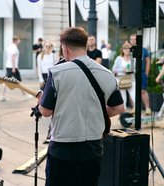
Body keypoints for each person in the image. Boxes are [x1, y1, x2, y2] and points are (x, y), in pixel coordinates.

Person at [37, 27, 124, 186]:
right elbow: (118, 108)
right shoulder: (106, 73)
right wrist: (95, 112)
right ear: (85, 45)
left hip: (63, 149)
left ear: (64, 48)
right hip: (93, 148)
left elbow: (45, 111)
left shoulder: (57, 72)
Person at [0, 36, 32, 101]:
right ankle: (25, 95)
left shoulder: (10, 46)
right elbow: (13, 57)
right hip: (12, 67)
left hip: (9, 66)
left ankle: (2, 96)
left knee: (6, 81)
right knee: (19, 81)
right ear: (16, 40)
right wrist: (14, 68)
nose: (19, 41)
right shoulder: (14, 47)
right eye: (19, 40)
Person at [130, 33, 151, 115]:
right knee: (132, 91)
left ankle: (147, 108)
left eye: (134, 39)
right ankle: (134, 108)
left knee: (143, 91)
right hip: (132, 74)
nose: (133, 41)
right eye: (131, 39)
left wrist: (146, 72)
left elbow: (148, 61)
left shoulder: (144, 50)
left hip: (141, 73)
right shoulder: (130, 49)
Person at [112, 42, 135, 110]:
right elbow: (114, 69)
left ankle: (136, 111)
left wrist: (130, 70)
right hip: (121, 80)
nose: (127, 50)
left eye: (129, 48)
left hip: (131, 79)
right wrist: (122, 70)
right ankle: (123, 113)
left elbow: (135, 69)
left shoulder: (133, 58)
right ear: (122, 50)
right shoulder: (119, 58)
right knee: (123, 97)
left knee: (134, 96)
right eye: (125, 48)